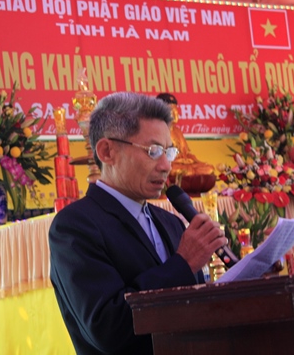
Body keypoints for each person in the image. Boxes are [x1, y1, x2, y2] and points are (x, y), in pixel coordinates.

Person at [49, 92, 228, 355]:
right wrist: (184, 264)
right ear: (107, 151)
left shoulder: (171, 222)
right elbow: (108, 328)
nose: (166, 166)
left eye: (169, 152)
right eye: (153, 151)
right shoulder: (75, 226)